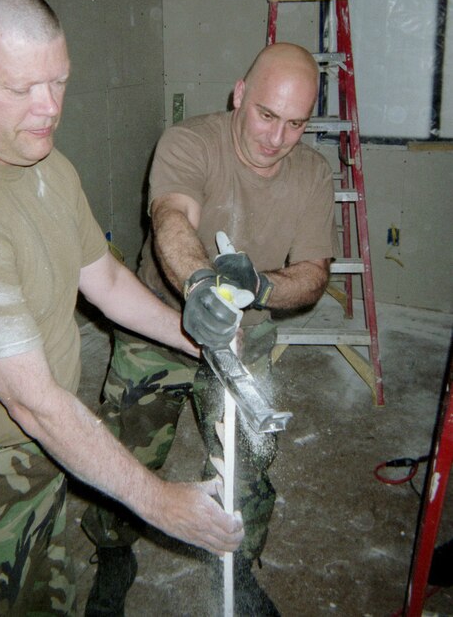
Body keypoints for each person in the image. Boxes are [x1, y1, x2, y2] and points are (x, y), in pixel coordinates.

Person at [0, 0, 245, 615]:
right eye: (20, 88)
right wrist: (158, 502)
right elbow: (33, 403)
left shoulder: (43, 163)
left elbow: (108, 281)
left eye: (58, 80)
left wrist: (196, 337)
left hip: (45, 452)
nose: (49, 109)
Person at [82, 42, 340, 615]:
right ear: (239, 95)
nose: (276, 138)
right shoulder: (190, 141)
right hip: (159, 317)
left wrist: (259, 288)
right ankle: (112, 549)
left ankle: (238, 563)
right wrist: (202, 285)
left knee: (249, 456)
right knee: (127, 452)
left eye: (295, 124)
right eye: (266, 116)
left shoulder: (314, 174)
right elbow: (172, 217)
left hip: (246, 330)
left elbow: (313, 275)